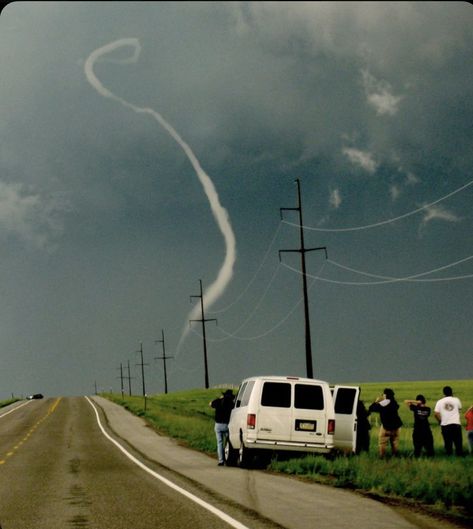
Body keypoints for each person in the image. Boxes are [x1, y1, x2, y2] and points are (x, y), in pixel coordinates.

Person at [368, 388, 403, 457]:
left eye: (383, 394)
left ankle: (382, 456)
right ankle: (395, 456)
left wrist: (376, 401)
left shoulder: (382, 404)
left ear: (385, 395)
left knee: (382, 443)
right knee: (395, 442)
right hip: (396, 427)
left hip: (386, 427)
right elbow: (394, 403)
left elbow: (371, 408)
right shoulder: (394, 403)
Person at [434, 386, 463, 456]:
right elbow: (459, 408)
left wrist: (440, 421)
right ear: (452, 392)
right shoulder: (456, 400)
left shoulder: (440, 401)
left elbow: (436, 413)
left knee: (448, 443)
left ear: (443, 393)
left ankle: (449, 456)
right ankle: (459, 456)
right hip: (456, 424)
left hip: (445, 425)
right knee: (458, 443)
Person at [209, 389, 235, 466]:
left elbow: (210, 404)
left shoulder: (219, 401)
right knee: (228, 443)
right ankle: (229, 459)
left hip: (218, 425)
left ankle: (221, 460)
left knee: (219, 443)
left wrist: (219, 398)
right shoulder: (231, 403)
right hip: (227, 425)